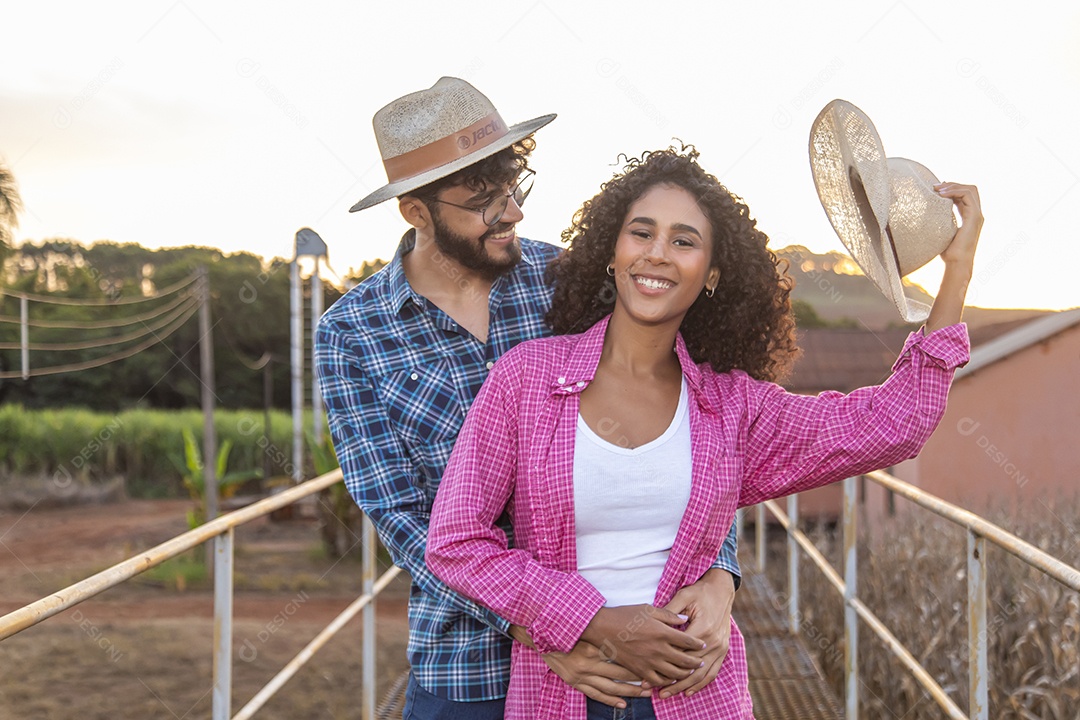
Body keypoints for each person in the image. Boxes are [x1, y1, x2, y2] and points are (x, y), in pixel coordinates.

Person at [426, 145, 979, 719]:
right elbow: (456, 541)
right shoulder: (527, 379)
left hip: (694, 698)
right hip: (558, 696)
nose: (658, 254)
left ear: (712, 274)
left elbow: (895, 424)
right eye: (641, 233)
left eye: (684, 241)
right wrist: (587, 620)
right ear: (612, 253)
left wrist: (957, 269)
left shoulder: (732, 407)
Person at [315, 79, 742, 720]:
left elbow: (693, 428)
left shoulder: (572, 282)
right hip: (471, 663)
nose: (512, 212)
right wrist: (545, 626)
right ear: (415, 212)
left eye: (514, 188)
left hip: (629, 653)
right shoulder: (350, 333)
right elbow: (400, 514)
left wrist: (722, 574)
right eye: (484, 202)